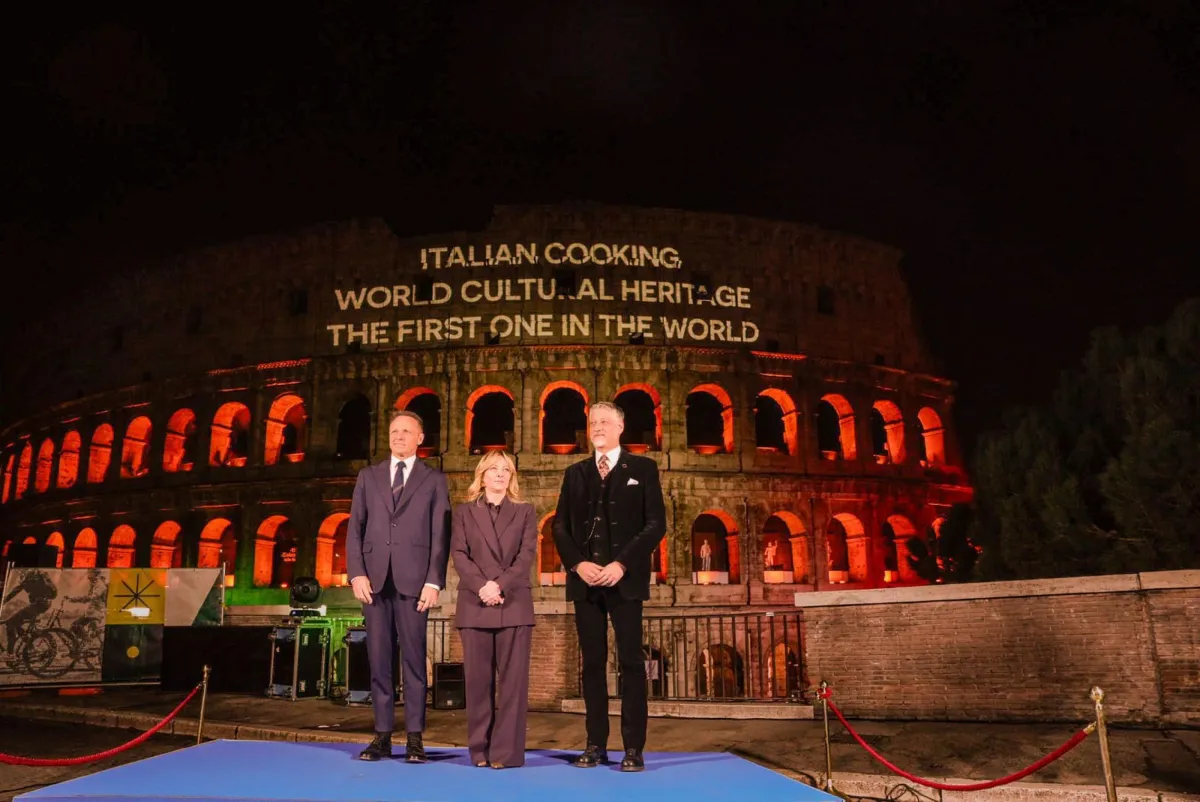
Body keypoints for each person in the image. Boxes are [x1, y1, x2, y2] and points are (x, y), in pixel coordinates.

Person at [553, 401, 666, 772]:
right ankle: (595, 744)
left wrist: (621, 564)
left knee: (631, 663)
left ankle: (633, 748)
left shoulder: (643, 469)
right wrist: (578, 564)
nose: (597, 427)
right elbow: (559, 526)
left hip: (625, 582)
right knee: (592, 665)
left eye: (604, 421)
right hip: (585, 584)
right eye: (592, 423)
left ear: (620, 427)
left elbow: (655, 524)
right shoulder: (575, 473)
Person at [345, 409, 451, 763]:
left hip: (415, 583)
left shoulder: (434, 479)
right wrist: (357, 573)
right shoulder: (368, 476)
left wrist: (434, 580)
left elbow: (441, 534)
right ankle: (382, 736)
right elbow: (355, 528)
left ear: (420, 438)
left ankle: (415, 738)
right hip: (373, 582)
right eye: (394, 431)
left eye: (406, 431)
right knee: (379, 660)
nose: (399, 436)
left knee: (414, 661)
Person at [450, 451, 537, 769]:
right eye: (493, 469)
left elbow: (526, 555)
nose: (500, 474)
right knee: (477, 683)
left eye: (506, 469)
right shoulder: (463, 512)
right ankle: (480, 750)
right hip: (475, 604)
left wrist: (498, 585)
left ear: (511, 477)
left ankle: (506, 753)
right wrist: (482, 587)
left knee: (513, 685)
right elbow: (459, 554)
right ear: (482, 475)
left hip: (513, 603)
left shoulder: (525, 511)